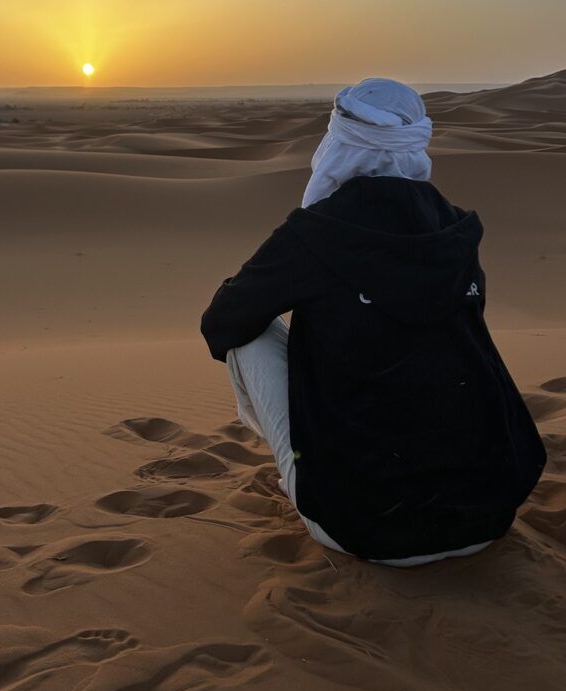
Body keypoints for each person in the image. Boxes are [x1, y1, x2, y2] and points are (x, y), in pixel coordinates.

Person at [200, 77, 547, 567]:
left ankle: (301, 468)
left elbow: (222, 323)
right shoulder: (456, 228)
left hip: (367, 529)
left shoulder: (316, 232)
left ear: (336, 142)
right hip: (490, 516)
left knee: (247, 333)